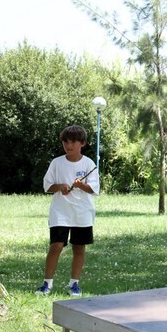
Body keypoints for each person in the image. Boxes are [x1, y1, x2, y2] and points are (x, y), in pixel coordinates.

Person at [37, 125, 99, 297]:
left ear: (82, 143)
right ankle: (47, 284)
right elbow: (47, 186)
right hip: (60, 211)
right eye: (66, 142)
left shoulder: (89, 164)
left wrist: (81, 185)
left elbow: (94, 189)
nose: (69, 146)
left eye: (73, 142)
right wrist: (60, 186)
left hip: (82, 212)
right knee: (56, 246)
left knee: (79, 247)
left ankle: (74, 284)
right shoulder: (57, 163)